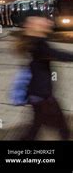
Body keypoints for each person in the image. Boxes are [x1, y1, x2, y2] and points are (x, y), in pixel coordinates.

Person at [15, 12, 73, 140]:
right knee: (63, 129)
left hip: (37, 94)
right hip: (42, 95)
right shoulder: (38, 44)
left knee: (35, 127)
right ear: (35, 27)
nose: (47, 22)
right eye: (42, 22)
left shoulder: (34, 42)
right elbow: (57, 54)